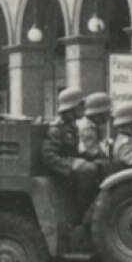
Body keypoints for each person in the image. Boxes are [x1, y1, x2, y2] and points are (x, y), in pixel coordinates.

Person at [41, 88, 100, 217]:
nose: (83, 108)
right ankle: (81, 212)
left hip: (69, 164)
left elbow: (72, 151)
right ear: (71, 108)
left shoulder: (71, 126)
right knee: (88, 170)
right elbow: (49, 156)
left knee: (101, 164)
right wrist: (71, 167)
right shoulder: (57, 128)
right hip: (60, 171)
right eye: (80, 105)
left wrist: (90, 156)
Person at [77, 92, 113, 161]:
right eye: (107, 113)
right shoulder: (87, 128)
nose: (108, 116)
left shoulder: (90, 125)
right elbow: (94, 153)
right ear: (97, 115)